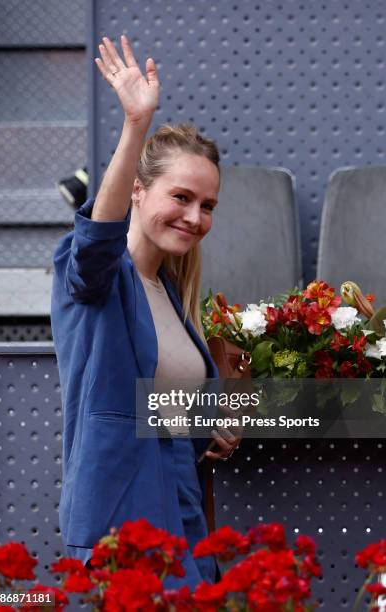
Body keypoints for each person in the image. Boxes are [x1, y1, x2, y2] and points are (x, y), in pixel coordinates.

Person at [50, 34, 241, 590]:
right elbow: (97, 241)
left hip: (181, 511)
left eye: (207, 205)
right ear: (136, 190)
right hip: (123, 521)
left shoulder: (173, 297)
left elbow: (156, 408)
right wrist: (136, 124)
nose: (195, 216)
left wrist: (218, 423)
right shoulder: (95, 278)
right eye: (181, 197)